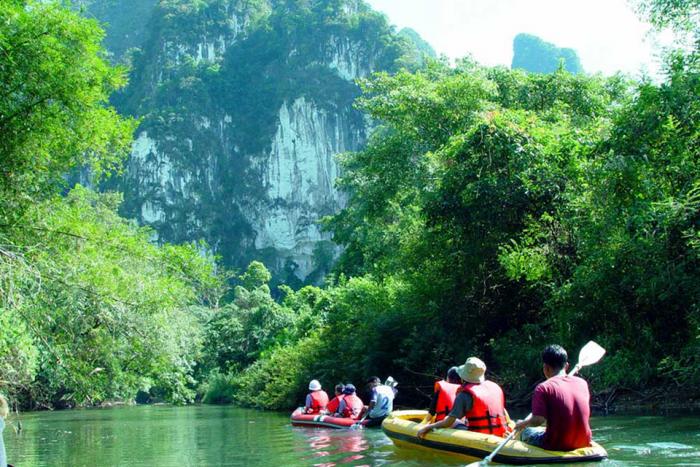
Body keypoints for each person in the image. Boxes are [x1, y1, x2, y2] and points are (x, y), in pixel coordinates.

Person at [515, 345, 592, 451]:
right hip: (584, 442)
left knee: (525, 431)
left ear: (545, 368)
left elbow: (537, 421)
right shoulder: (582, 383)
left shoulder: (543, 388)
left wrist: (522, 424)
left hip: (556, 445)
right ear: (567, 366)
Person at [417, 357, 509, 438]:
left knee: (451, 421)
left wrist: (428, 427)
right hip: (500, 434)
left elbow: (449, 422)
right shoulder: (494, 387)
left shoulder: (464, 395)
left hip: (478, 435)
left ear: (463, 377)